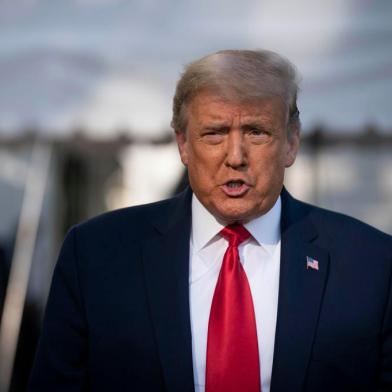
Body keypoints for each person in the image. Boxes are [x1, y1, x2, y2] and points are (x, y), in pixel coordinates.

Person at [29, 50, 392, 392]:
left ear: (291, 143)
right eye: (215, 133)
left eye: (256, 132)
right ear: (183, 144)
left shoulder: (370, 264)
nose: (235, 157)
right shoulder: (96, 256)